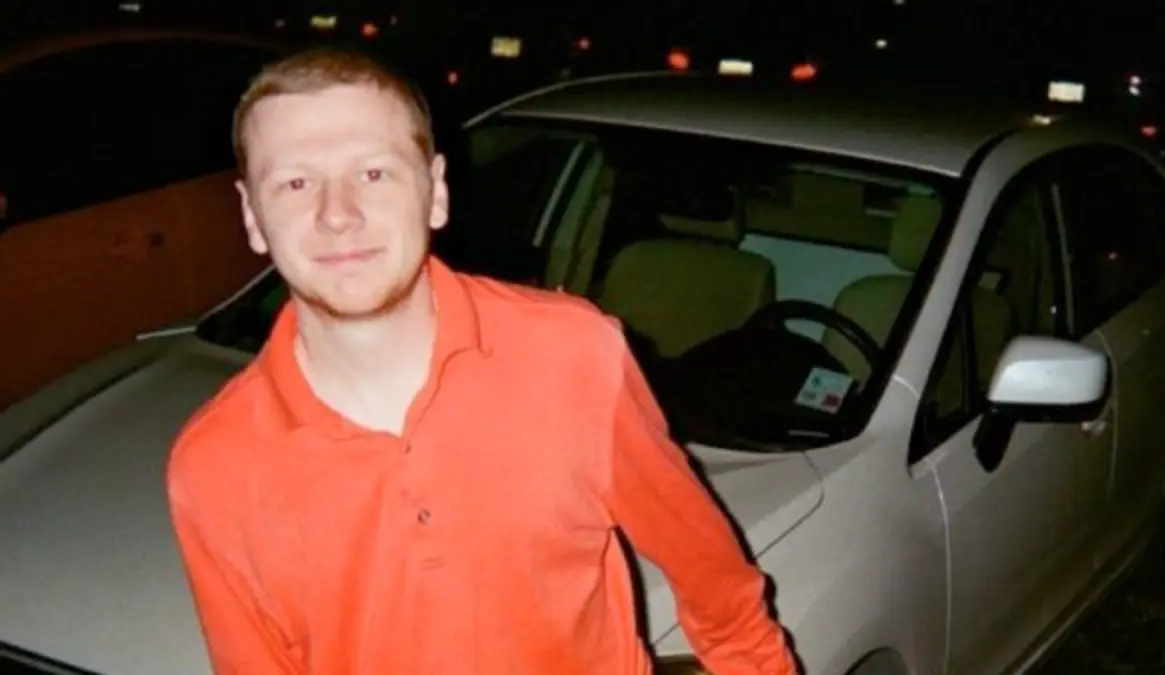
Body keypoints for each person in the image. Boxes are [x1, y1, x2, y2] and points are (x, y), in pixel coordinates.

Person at [166, 46, 799, 675]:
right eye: (297, 182)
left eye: (374, 173)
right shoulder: (215, 465)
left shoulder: (573, 356)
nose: (338, 215)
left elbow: (722, 597)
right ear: (252, 215)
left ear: (435, 192)